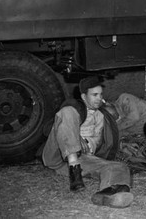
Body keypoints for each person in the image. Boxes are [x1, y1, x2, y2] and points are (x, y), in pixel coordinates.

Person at [42, 76, 133, 209]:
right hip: (56, 156)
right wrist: (76, 137)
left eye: (100, 94)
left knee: (119, 167)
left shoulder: (102, 116)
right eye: (94, 95)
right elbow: (51, 125)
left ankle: (109, 194)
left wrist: (122, 143)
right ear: (84, 97)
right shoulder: (75, 108)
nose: (99, 98)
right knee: (67, 112)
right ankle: (75, 170)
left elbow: (102, 140)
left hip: (83, 159)